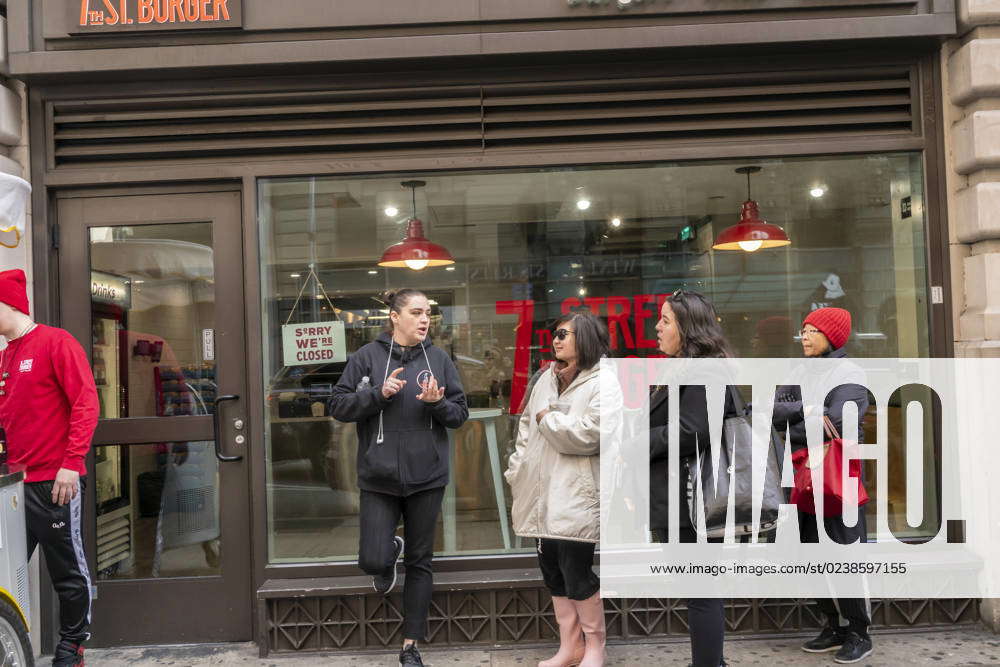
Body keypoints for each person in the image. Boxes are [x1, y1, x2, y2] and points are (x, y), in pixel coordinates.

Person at [329, 288, 468, 667]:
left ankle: (410, 645)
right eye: (417, 312)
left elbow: (459, 414)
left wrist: (437, 402)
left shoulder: (438, 359)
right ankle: (389, 553)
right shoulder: (366, 357)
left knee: (421, 561)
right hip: (378, 477)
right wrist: (378, 394)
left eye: (428, 313)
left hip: (428, 478)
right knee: (371, 559)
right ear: (395, 316)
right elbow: (338, 405)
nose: (425, 319)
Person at [505, 311, 617, 667]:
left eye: (565, 334)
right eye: (555, 334)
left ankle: (596, 647)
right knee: (551, 569)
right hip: (541, 492)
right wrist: (517, 467)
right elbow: (526, 425)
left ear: (584, 338)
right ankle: (570, 647)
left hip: (577, 494)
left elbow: (590, 434)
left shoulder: (604, 381)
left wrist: (549, 419)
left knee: (577, 571)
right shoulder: (545, 378)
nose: (556, 339)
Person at [0, 269, 98, 667]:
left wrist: (71, 464)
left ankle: (72, 648)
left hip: (55, 484)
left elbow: (86, 403)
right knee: (7, 571)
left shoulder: (56, 342)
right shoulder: (6, 354)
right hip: (14, 489)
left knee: (68, 573)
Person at [772, 307, 872, 665]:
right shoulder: (798, 370)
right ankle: (833, 625)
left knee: (844, 553)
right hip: (803, 478)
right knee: (811, 553)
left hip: (838, 477)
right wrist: (813, 411)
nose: (806, 336)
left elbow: (841, 422)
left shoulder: (850, 374)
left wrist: (801, 417)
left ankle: (859, 631)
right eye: (803, 330)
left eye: (814, 330)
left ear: (833, 335)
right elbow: (774, 413)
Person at [648, 290, 735, 667]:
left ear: (689, 327)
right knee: (697, 589)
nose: (658, 326)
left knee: (701, 591)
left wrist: (637, 440)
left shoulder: (708, 370)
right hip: (681, 498)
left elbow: (693, 429)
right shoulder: (687, 368)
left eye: (666, 320)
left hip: (694, 501)